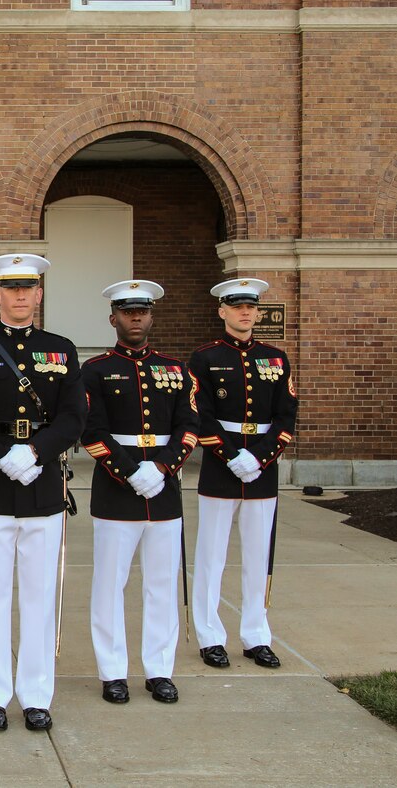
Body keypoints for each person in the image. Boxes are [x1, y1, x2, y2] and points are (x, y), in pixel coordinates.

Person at [0, 254, 86, 732]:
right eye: (11, 287)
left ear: (40, 295)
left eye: (29, 287)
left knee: (40, 594)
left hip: (43, 484)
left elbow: (73, 416)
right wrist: (3, 455)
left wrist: (38, 453)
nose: (21, 295)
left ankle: (36, 693)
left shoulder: (61, 349)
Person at [80, 280, 199, 705]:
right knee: (110, 584)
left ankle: (159, 669)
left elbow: (189, 425)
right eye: (126, 311)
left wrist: (163, 467)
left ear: (151, 316)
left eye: (142, 311)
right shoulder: (93, 370)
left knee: (163, 585)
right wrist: (130, 471)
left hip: (163, 491)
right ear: (112, 318)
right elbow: (90, 429)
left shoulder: (176, 369)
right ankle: (112, 671)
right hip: (116, 491)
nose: (135, 318)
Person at [189, 278, 298, 670]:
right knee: (211, 556)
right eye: (236, 306)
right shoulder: (204, 358)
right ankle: (209, 635)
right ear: (222, 311)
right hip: (221, 467)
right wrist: (231, 455)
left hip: (262, 469)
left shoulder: (276, 358)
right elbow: (199, 413)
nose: (245, 312)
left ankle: (256, 635)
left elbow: (286, 415)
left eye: (250, 306)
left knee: (258, 556)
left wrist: (262, 457)